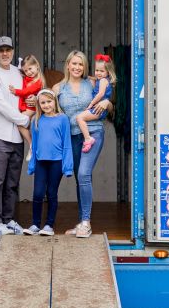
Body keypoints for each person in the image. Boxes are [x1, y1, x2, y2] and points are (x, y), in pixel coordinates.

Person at [54, 50, 111, 237]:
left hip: (93, 133)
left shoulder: (93, 82)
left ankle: (86, 223)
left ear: (85, 67)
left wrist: (108, 103)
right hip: (72, 137)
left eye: (81, 64)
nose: (77, 67)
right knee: (81, 179)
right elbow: (48, 110)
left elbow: (109, 100)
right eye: (74, 63)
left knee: (84, 174)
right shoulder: (58, 88)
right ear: (68, 65)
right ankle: (81, 223)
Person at [0, 35, 30, 237]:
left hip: (17, 136)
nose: (5, 53)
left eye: (8, 50)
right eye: (1, 50)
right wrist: (24, 120)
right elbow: (0, 104)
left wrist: (32, 104)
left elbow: (28, 93)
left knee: (12, 182)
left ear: (12, 52)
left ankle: (9, 220)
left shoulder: (18, 72)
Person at [23, 89, 73, 235]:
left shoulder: (63, 119)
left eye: (49, 101)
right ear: (39, 104)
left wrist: (67, 167)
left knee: (51, 193)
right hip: (41, 162)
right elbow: (34, 145)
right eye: (43, 102)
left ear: (55, 101)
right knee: (38, 193)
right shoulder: (36, 120)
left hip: (57, 162)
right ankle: (35, 224)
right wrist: (32, 164)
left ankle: (49, 225)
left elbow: (67, 144)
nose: (46, 105)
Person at [75, 54, 116, 150]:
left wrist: (91, 104)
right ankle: (87, 139)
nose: (98, 73)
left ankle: (88, 138)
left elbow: (101, 94)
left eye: (102, 71)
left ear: (108, 72)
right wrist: (90, 77)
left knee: (79, 118)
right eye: (97, 70)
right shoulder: (102, 79)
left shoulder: (103, 81)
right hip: (100, 109)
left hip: (97, 108)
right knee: (80, 118)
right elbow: (96, 79)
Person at [12, 55, 44, 155]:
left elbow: (27, 91)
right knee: (25, 125)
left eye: (30, 69)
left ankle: (31, 144)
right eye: (26, 71)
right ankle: (32, 145)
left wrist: (15, 91)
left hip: (32, 108)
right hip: (27, 107)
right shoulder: (28, 78)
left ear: (37, 66)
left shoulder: (39, 82)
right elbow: (22, 78)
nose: (29, 72)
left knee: (19, 123)